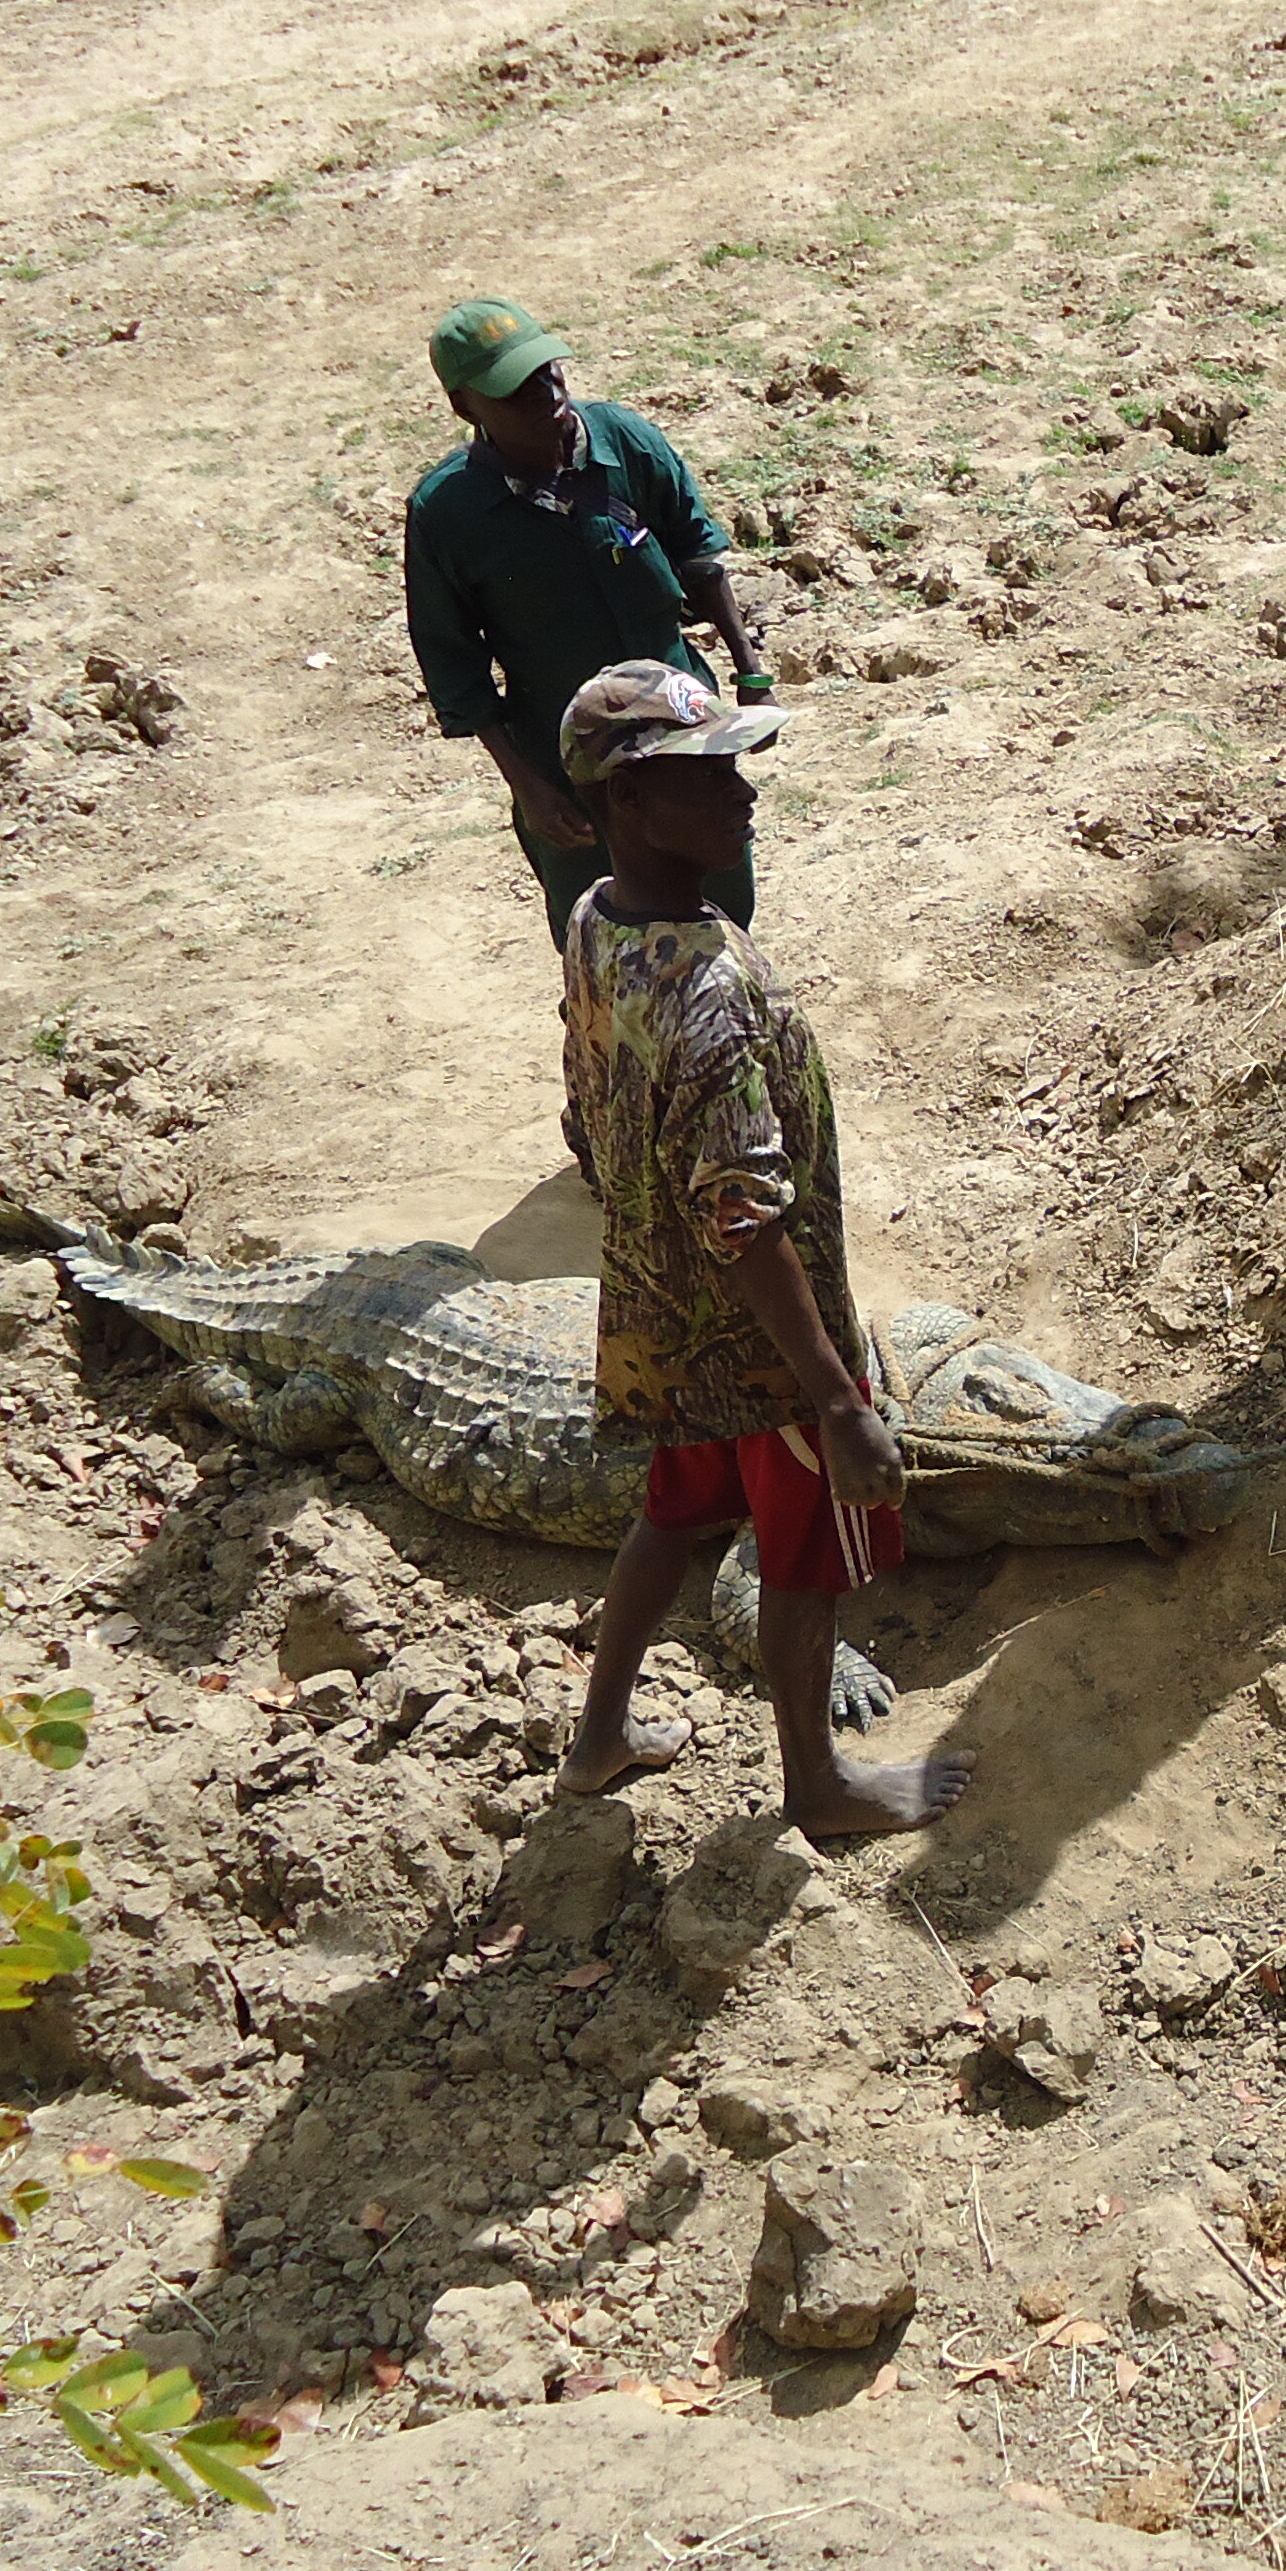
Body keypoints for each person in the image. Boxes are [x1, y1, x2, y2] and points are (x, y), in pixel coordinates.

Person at [547, 660, 968, 1840]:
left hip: (654, 1314)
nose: (742, 794)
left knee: (671, 1514)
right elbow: (743, 1212)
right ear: (629, 801)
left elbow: (585, 1098)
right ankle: (818, 1786)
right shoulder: (715, 986)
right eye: (707, 774)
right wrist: (835, 1398)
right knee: (802, 1558)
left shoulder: (596, 920)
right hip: (764, 1343)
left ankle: (598, 1739)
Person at [402, 299, 776, 948]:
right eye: (515, 392)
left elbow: (699, 558)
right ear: (467, 408)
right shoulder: (448, 513)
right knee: (600, 932)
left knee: (721, 903)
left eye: (549, 372)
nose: (547, 396)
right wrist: (528, 788)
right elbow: (454, 665)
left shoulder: (623, 442)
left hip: (683, 721)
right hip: (569, 762)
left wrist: (750, 675)